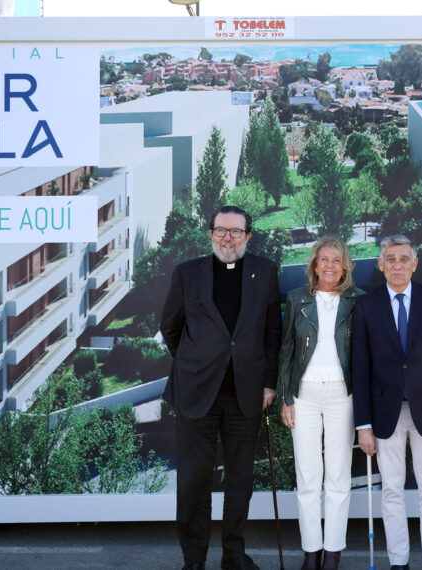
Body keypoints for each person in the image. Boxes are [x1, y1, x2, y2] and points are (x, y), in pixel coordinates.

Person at [161, 205, 282, 570]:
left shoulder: (265, 271)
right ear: (210, 233)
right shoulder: (187, 274)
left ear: (248, 236)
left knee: (240, 482)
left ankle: (234, 554)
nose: (227, 238)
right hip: (197, 394)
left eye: (235, 231)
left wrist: (268, 384)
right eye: (220, 231)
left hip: (246, 395)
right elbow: (171, 328)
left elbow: (272, 333)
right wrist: (196, 363)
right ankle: (194, 559)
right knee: (194, 482)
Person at [352, 234, 422, 570]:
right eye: (390, 259)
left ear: (415, 263)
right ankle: (398, 562)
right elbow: (360, 368)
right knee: (392, 491)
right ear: (380, 264)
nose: (397, 265)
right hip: (385, 416)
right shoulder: (366, 306)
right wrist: (363, 425)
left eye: (403, 259)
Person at [278, 236, 364, 570]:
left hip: (343, 395)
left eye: (336, 260)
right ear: (314, 264)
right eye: (323, 259)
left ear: (345, 267)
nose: (329, 266)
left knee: (339, 476)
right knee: (308, 477)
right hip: (305, 396)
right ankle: (311, 551)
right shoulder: (297, 299)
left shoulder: (359, 300)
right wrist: (286, 398)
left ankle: (333, 552)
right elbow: (286, 351)